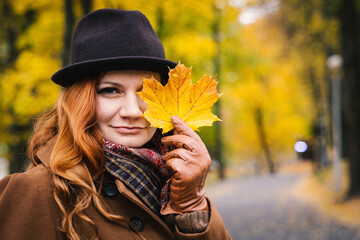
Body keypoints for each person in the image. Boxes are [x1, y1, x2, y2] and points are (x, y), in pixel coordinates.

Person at [0, 8, 231, 240]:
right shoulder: (38, 190)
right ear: (80, 101)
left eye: (146, 92)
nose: (132, 111)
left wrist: (192, 209)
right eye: (110, 91)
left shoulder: (171, 183)